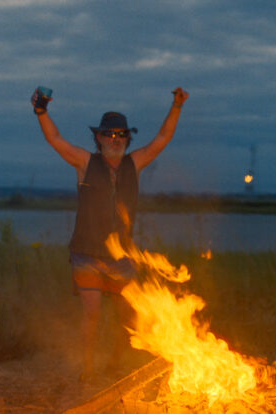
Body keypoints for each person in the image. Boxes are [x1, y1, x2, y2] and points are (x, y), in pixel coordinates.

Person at [31, 86, 189, 381]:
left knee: (124, 316)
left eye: (121, 135)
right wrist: (41, 111)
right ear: (99, 138)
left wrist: (176, 106)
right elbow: (55, 140)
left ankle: (115, 364)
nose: (115, 139)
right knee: (92, 314)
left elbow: (163, 138)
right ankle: (88, 369)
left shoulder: (134, 163)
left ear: (127, 139)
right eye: (109, 134)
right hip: (86, 253)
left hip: (122, 256)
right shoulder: (85, 162)